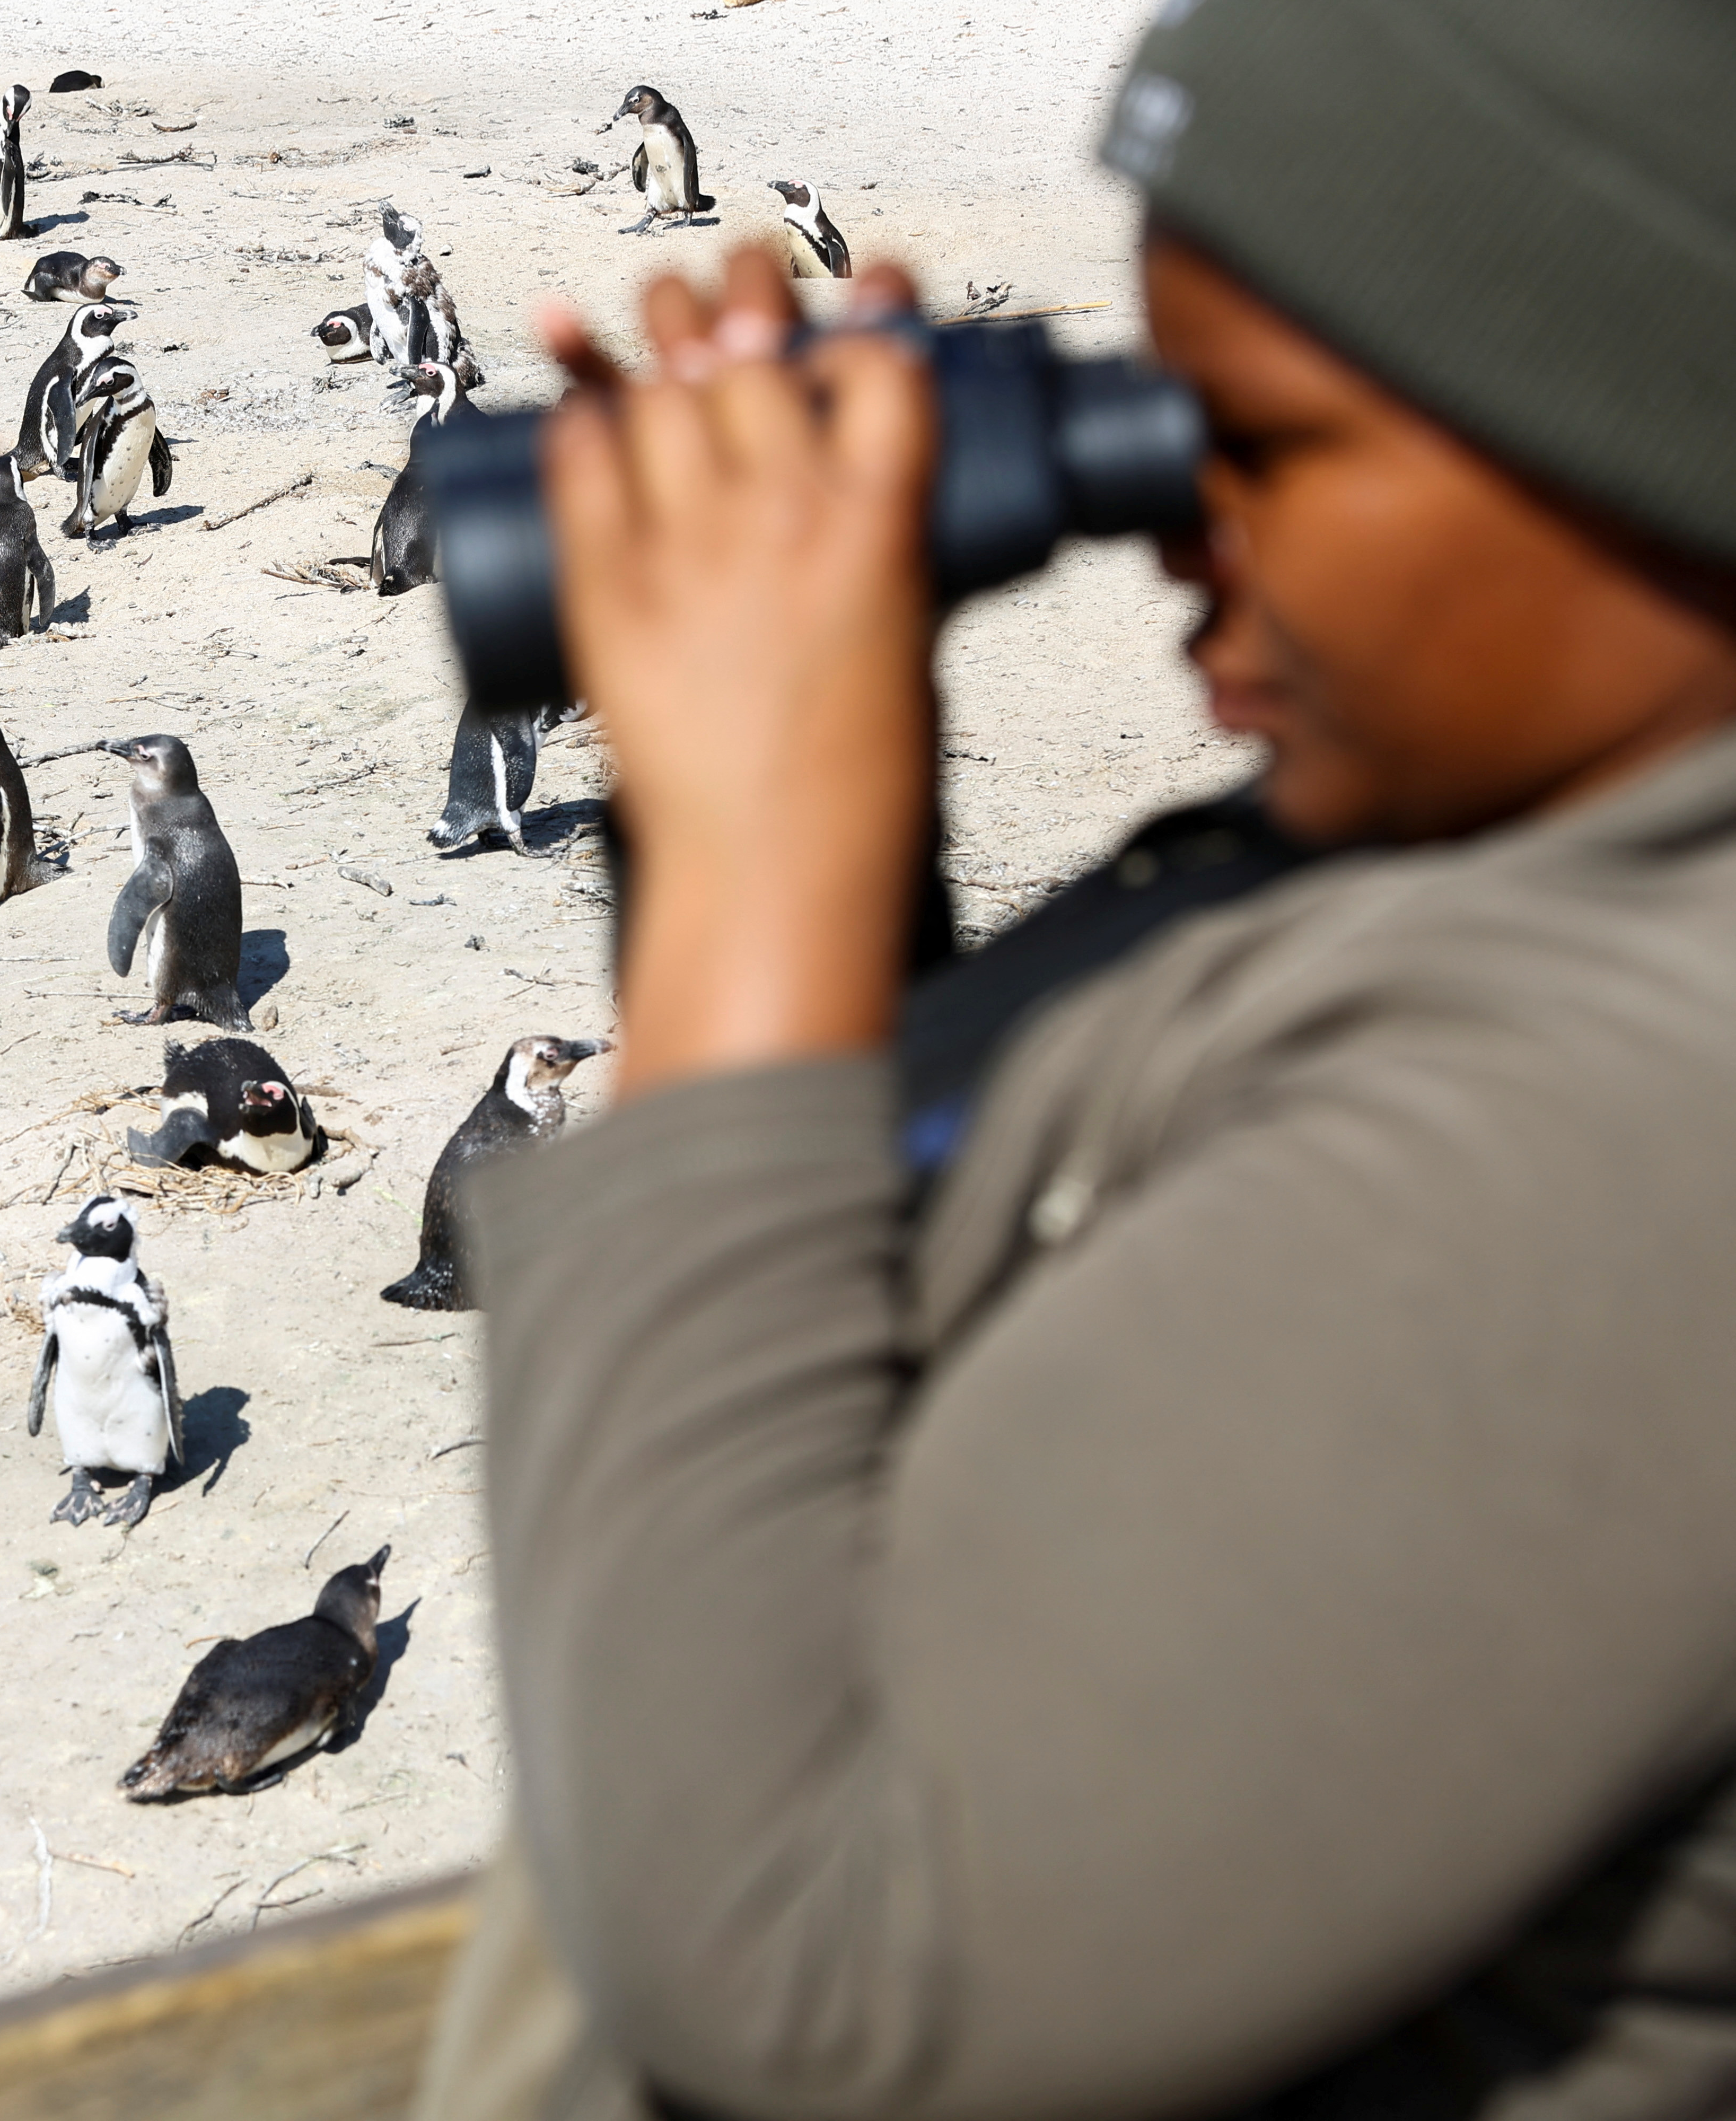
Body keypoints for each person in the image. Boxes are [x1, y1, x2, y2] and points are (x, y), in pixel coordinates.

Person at [416, 3, 1736, 2119]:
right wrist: (773, 799)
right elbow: (940, 1244)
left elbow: (801, 1964)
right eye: (1153, 417)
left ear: (1639, 428)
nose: (1173, 529)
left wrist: (761, 863)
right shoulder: (1491, 840)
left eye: (1268, 448)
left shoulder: (1652, 1140)